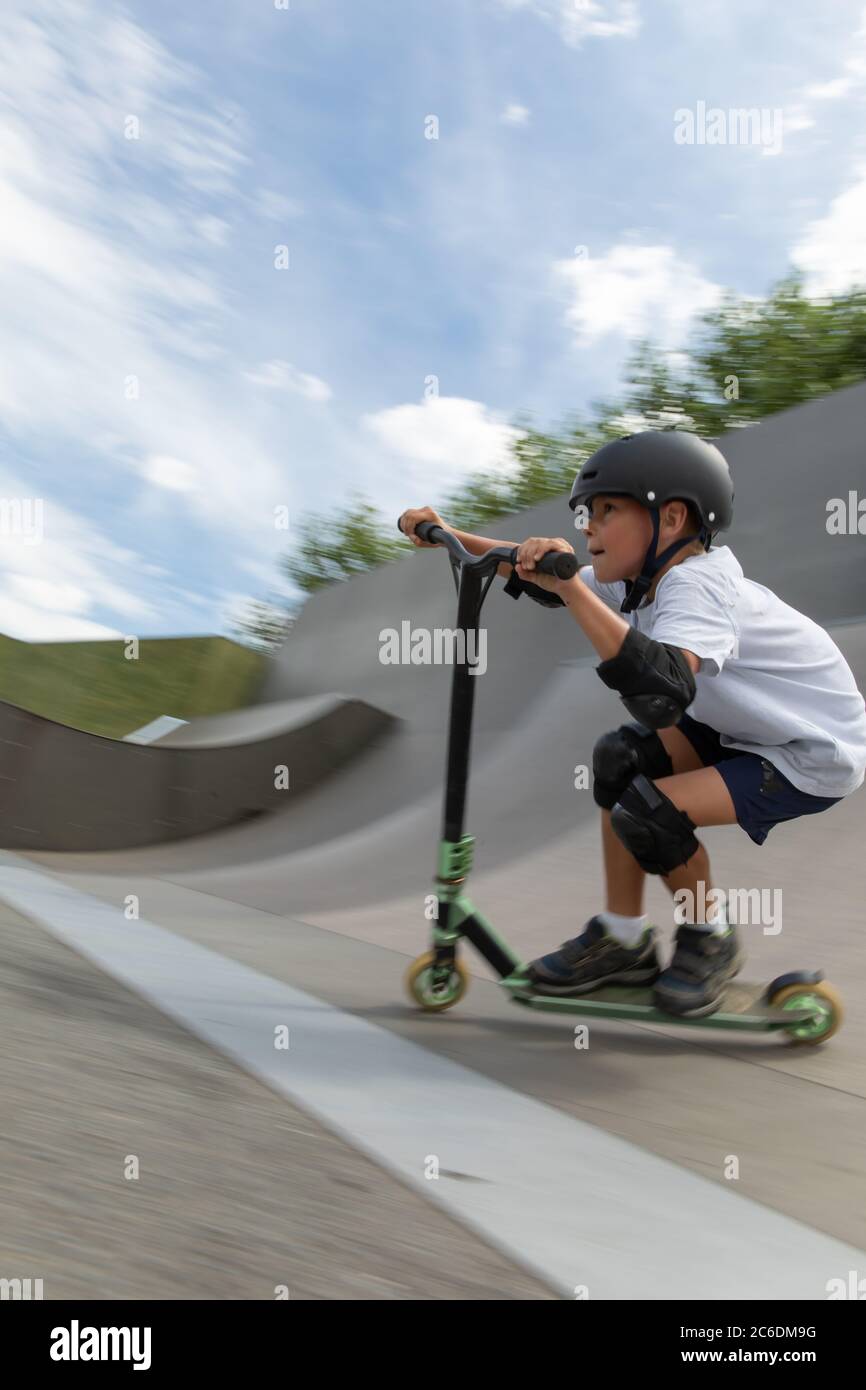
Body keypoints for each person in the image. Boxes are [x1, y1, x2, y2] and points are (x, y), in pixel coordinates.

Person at [399, 428, 866, 1017]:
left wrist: (570, 587)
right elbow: (542, 577)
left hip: (810, 751)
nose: (587, 526)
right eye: (585, 514)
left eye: (605, 510)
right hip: (744, 728)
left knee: (650, 812)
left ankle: (711, 938)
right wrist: (450, 536)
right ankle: (624, 939)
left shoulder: (699, 584)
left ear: (671, 519)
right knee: (619, 761)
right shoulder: (641, 579)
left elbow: (662, 692)